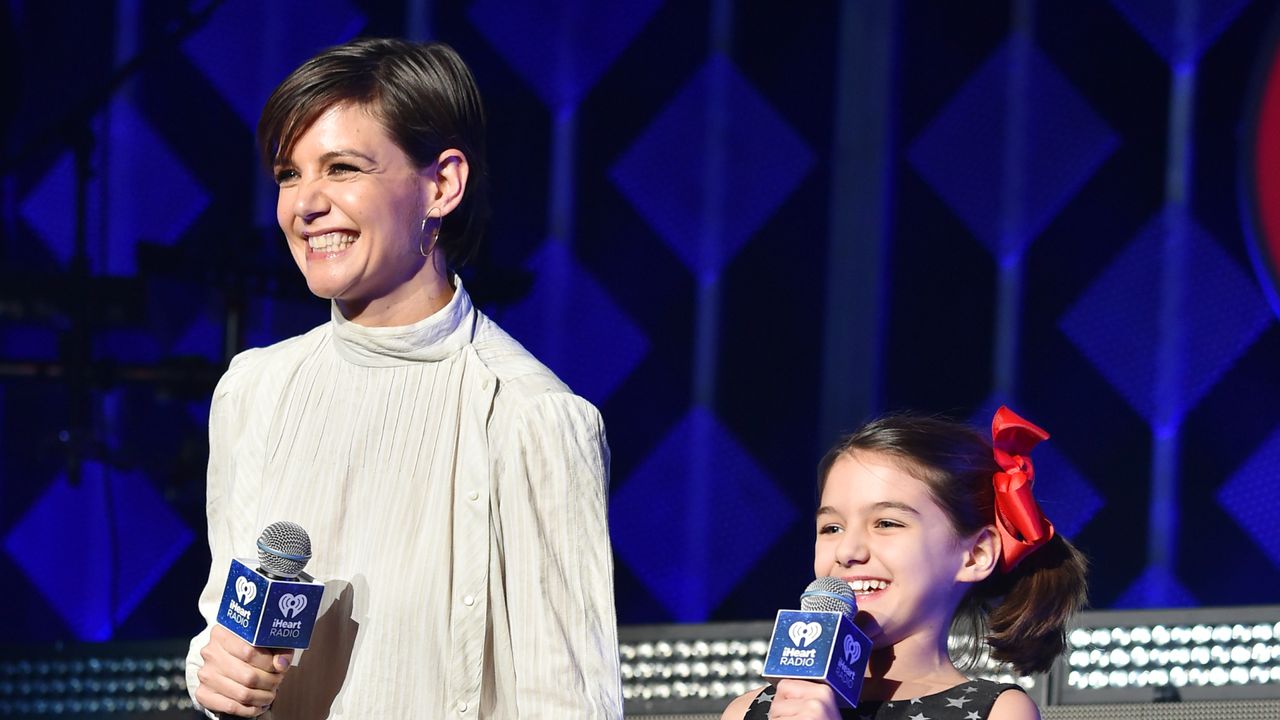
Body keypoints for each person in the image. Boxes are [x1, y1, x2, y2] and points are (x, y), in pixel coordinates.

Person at [184, 38, 622, 718]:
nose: (306, 203)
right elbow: (225, 625)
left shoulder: (529, 417)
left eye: (342, 168)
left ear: (441, 183)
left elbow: (566, 700)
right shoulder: (254, 390)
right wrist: (213, 676)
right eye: (288, 175)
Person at [723, 407, 1087, 720]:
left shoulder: (997, 712)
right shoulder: (750, 712)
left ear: (976, 554)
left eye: (886, 523)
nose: (847, 550)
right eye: (832, 527)